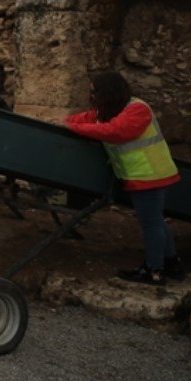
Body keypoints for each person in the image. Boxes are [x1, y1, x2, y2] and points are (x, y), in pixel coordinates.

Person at [65, 71, 184, 285]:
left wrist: (73, 127)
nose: (91, 96)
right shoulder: (112, 110)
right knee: (155, 221)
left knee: (151, 223)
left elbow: (117, 131)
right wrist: (65, 121)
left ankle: (154, 270)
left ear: (108, 91)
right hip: (140, 175)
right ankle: (171, 262)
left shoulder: (137, 109)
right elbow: (87, 118)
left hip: (150, 175)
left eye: (95, 92)